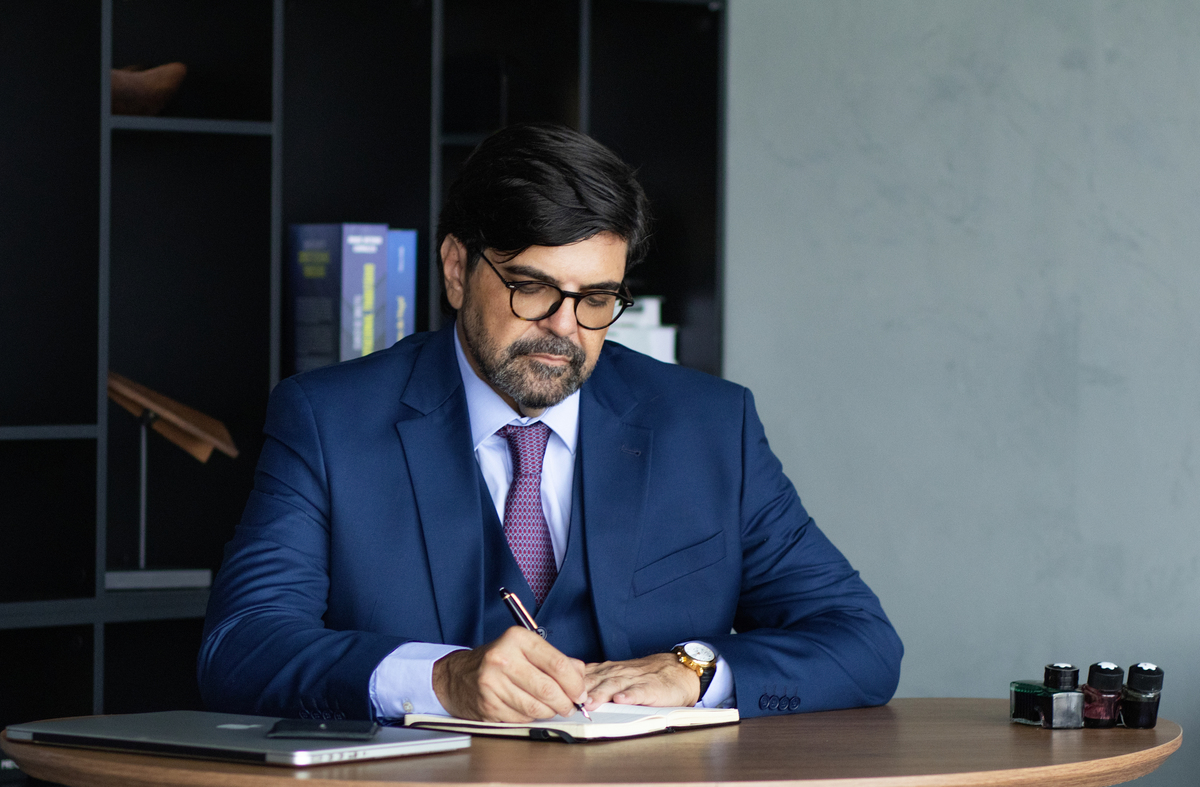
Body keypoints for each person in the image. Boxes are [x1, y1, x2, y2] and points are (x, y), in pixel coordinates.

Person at [198, 123, 902, 723]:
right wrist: (441, 678)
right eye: (532, 288)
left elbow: (862, 640)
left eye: (596, 298)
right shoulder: (328, 420)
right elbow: (241, 644)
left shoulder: (712, 425)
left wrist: (695, 670)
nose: (564, 329)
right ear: (454, 269)